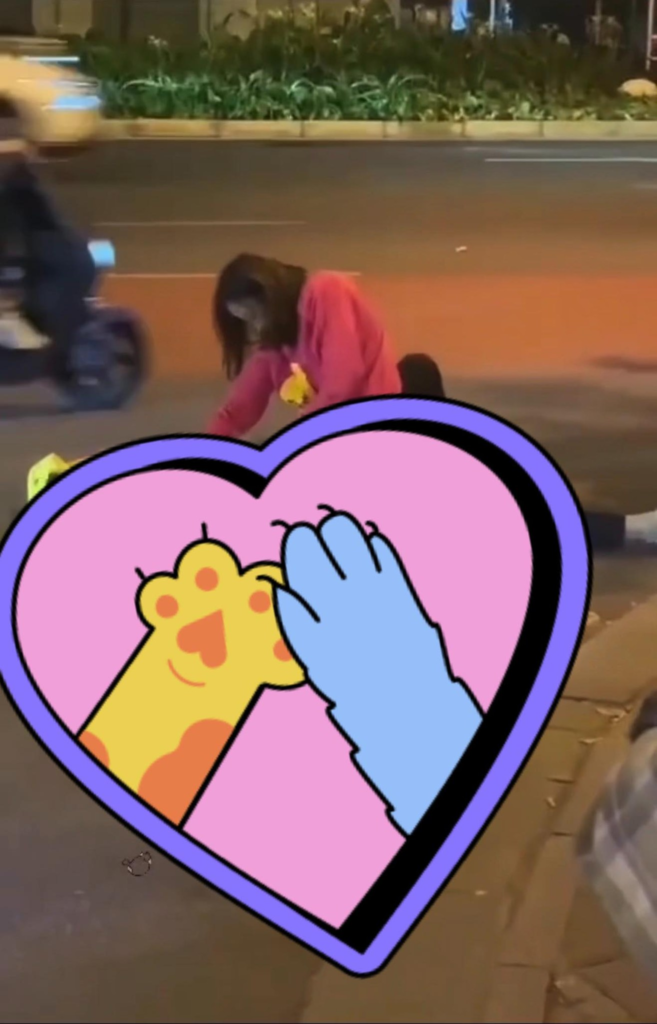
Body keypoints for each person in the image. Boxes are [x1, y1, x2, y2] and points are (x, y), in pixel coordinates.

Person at [206, 253, 444, 438]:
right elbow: (237, 411)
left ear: (270, 295)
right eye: (245, 323)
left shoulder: (326, 292)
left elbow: (343, 382)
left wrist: (299, 437)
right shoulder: (274, 345)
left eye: (253, 315)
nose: (255, 328)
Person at [0, 99, 96, 388]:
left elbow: (14, 232)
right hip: (27, 260)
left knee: (50, 313)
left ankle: (65, 365)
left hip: (57, 262)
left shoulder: (17, 176)